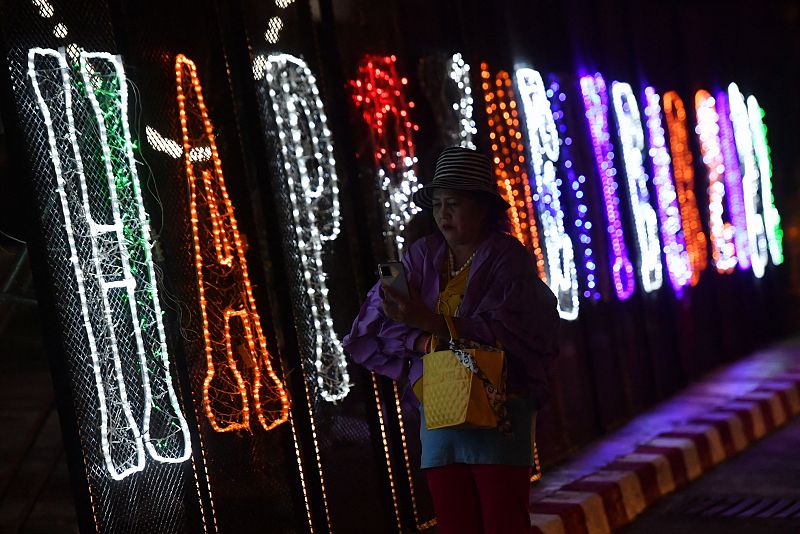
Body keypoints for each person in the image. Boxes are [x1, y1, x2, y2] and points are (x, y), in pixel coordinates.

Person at [343, 146, 558, 534]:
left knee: (504, 522)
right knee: (455, 522)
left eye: (454, 204)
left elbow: (510, 329)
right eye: (438, 204)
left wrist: (429, 323)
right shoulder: (422, 255)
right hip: (441, 408)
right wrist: (425, 342)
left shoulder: (508, 258)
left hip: (498, 408)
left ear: (483, 208)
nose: (443, 214)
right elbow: (381, 321)